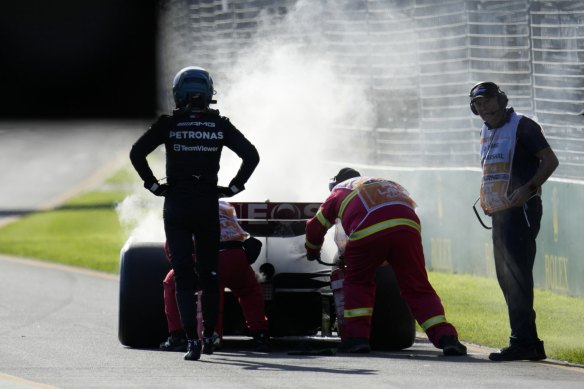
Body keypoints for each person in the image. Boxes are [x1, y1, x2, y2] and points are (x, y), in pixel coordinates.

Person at [130, 66, 260, 361]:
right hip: (206, 204)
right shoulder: (220, 125)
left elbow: (137, 152)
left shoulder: (168, 124)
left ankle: (191, 341)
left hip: (176, 203)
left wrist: (152, 184)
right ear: (209, 94)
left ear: (178, 94)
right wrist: (234, 187)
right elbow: (251, 155)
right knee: (210, 273)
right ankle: (211, 335)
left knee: (184, 276)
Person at [305, 167, 467, 356]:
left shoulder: (339, 190)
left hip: (368, 230)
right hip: (408, 227)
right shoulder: (382, 182)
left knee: (358, 283)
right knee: (417, 286)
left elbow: (315, 226)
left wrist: (312, 251)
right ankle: (446, 338)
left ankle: (357, 340)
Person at [469, 81, 559, 361]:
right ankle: (529, 342)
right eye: (478, 104)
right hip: (501, 213)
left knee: (516, 276)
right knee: (507, 278)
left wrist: (528, 188)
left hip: (521, 211)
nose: (483, 108)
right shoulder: (486, 130)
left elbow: (550, 160)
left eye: (487, 101)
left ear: (501, 99)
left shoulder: (523, 125)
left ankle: (522, 341)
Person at [159, 200, 270, 353]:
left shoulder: (182, 205)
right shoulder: (225, 205)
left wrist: (183, 268)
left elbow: (172, 248)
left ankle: (179, 336)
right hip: (235, 256)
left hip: (203, 260)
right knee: (249, 290)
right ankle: (260, 335)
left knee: (172, 283)